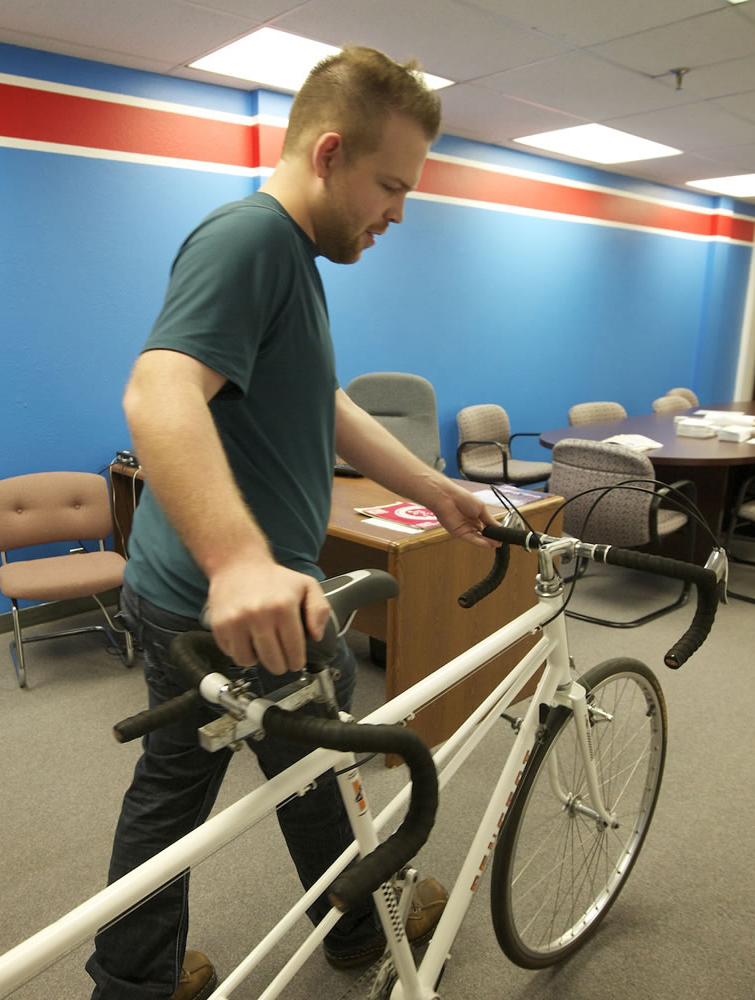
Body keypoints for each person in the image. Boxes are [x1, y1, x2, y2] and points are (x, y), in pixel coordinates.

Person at [87, 45, 497, 1000]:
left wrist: (431, 487)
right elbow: (157, 392)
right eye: (390, 184)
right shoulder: (254, 240)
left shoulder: (294, 256)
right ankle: (357, 926)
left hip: (175, 590)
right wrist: (240, 563)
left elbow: (329, 403)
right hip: (232, 607)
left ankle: (136, 979)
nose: (397, 212)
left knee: (208, 780)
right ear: (327, 154)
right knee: (316, 762)